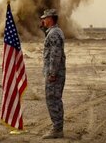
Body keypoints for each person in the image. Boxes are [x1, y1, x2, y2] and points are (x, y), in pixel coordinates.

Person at [40, 8, 66, 139]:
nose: (42, 20)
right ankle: (58, 127)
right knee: (55, 99)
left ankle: (57, 129)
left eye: (44, 18)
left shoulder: (54, 33)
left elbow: (55, 55)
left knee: (53, 100)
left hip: (54, 74)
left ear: (50, 19)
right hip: (55, 73)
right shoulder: (54, 32)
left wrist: (52, 73)